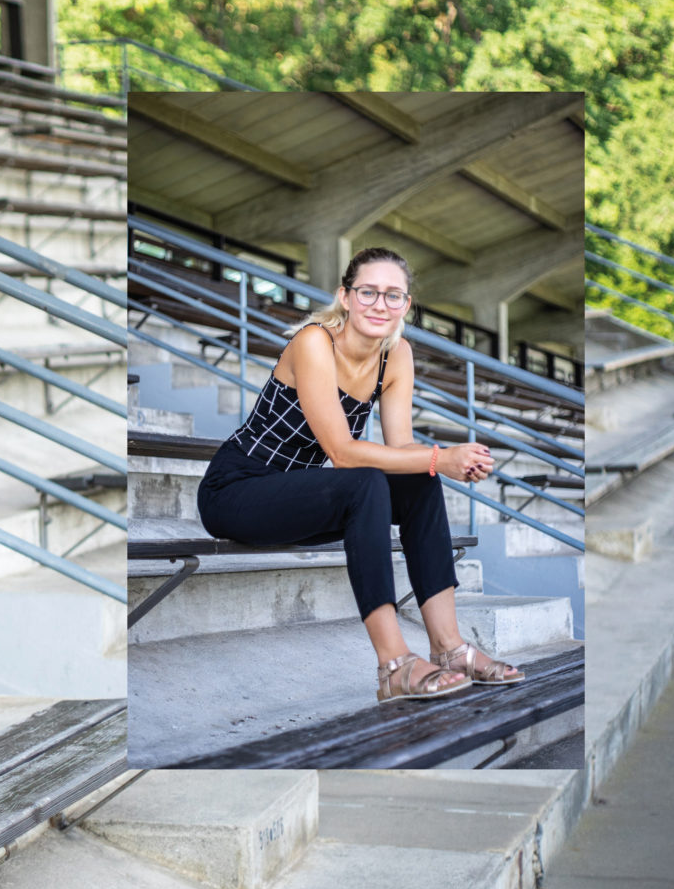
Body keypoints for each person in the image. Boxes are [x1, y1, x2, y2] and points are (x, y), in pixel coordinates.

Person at [196, 246, 525, 703]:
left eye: (393, 295)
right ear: (345, 297)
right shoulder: (315, 341)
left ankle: (449, 647)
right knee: (368, 479)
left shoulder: (397, 356)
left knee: (419, 482)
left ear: (406, 306)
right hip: (238, 490)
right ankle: (394, 664)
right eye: (368, 291)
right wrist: (438, 456)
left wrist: (448, 459)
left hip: (300, 494)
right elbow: (343, 453)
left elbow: (402, 446)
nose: (379, 304)